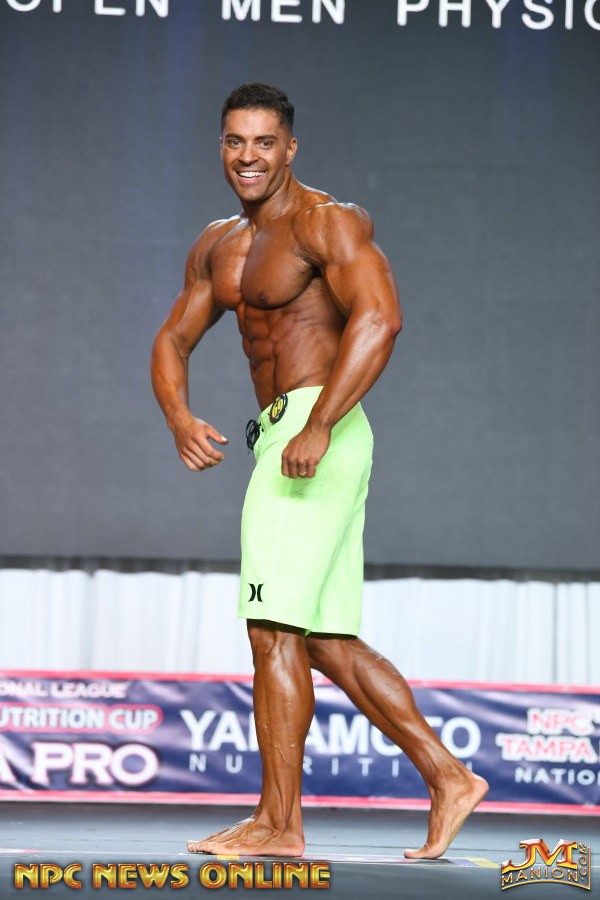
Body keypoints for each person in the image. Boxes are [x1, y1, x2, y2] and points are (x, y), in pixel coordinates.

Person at [150, 83, 488, 859]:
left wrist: (321, 421)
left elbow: (381, 317)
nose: (248, 156)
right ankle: (449, 778)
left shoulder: (326, 222)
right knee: (323, 638)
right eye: (236, 141)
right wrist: (179, 417)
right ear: (222, 146)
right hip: (288, 431)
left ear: (290, 148)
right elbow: (172, 338)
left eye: (264, 142)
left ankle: (279, 825)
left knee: (271, 628)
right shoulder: (218, 244)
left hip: (318, 426)